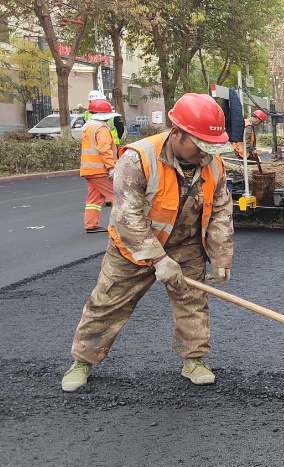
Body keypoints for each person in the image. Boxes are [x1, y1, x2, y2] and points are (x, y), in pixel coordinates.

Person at [61, 93, 235, 392]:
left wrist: (221, 258)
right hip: (133, 247)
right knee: (107, 303)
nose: (206, 154)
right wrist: (157, 258)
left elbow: (221, 212)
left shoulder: (214, 164)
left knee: (192, 303)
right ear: (177, 132)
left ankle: (194, 359)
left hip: (185, 244)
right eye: (200, 145)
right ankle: (83, 360)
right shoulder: (138, 158)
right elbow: (126, 216)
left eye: (211, 147)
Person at [80, 98, 119, 233]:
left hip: (89, 170)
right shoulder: (101, 129)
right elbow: (104, 149)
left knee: (94, 198)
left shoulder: (88, 127)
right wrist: (112, 167)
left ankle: (91, 224)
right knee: (118, 196)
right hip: (100, 170)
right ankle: (120, 226)